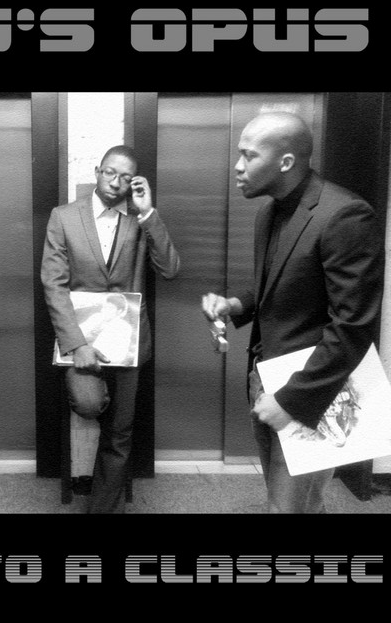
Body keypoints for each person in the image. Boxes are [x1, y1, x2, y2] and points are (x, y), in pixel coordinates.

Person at [201, 111, 383, 513]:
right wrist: (235, 305)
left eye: (249, 155)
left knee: (289, 508)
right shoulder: (269, 212)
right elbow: (281, 283)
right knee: (295, 504)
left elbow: (353, 325)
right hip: (264, 379)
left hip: (310, 393)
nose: (238, 166)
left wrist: (291, 401)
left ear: (285, 162)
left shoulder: (344, 214)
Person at [41, 144, 180, 513]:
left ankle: (103, 509)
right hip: (82, 341)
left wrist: (148, 212)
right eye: (109, 173)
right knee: (89, 402)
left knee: (119, 434)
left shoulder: (139, 219)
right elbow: (53, 284)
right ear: (97, 172)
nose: (115, 182)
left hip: (129, 343)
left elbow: (170, 269)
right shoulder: (64, 217)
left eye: (125, 177)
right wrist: (76, 345)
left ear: (133, 182)